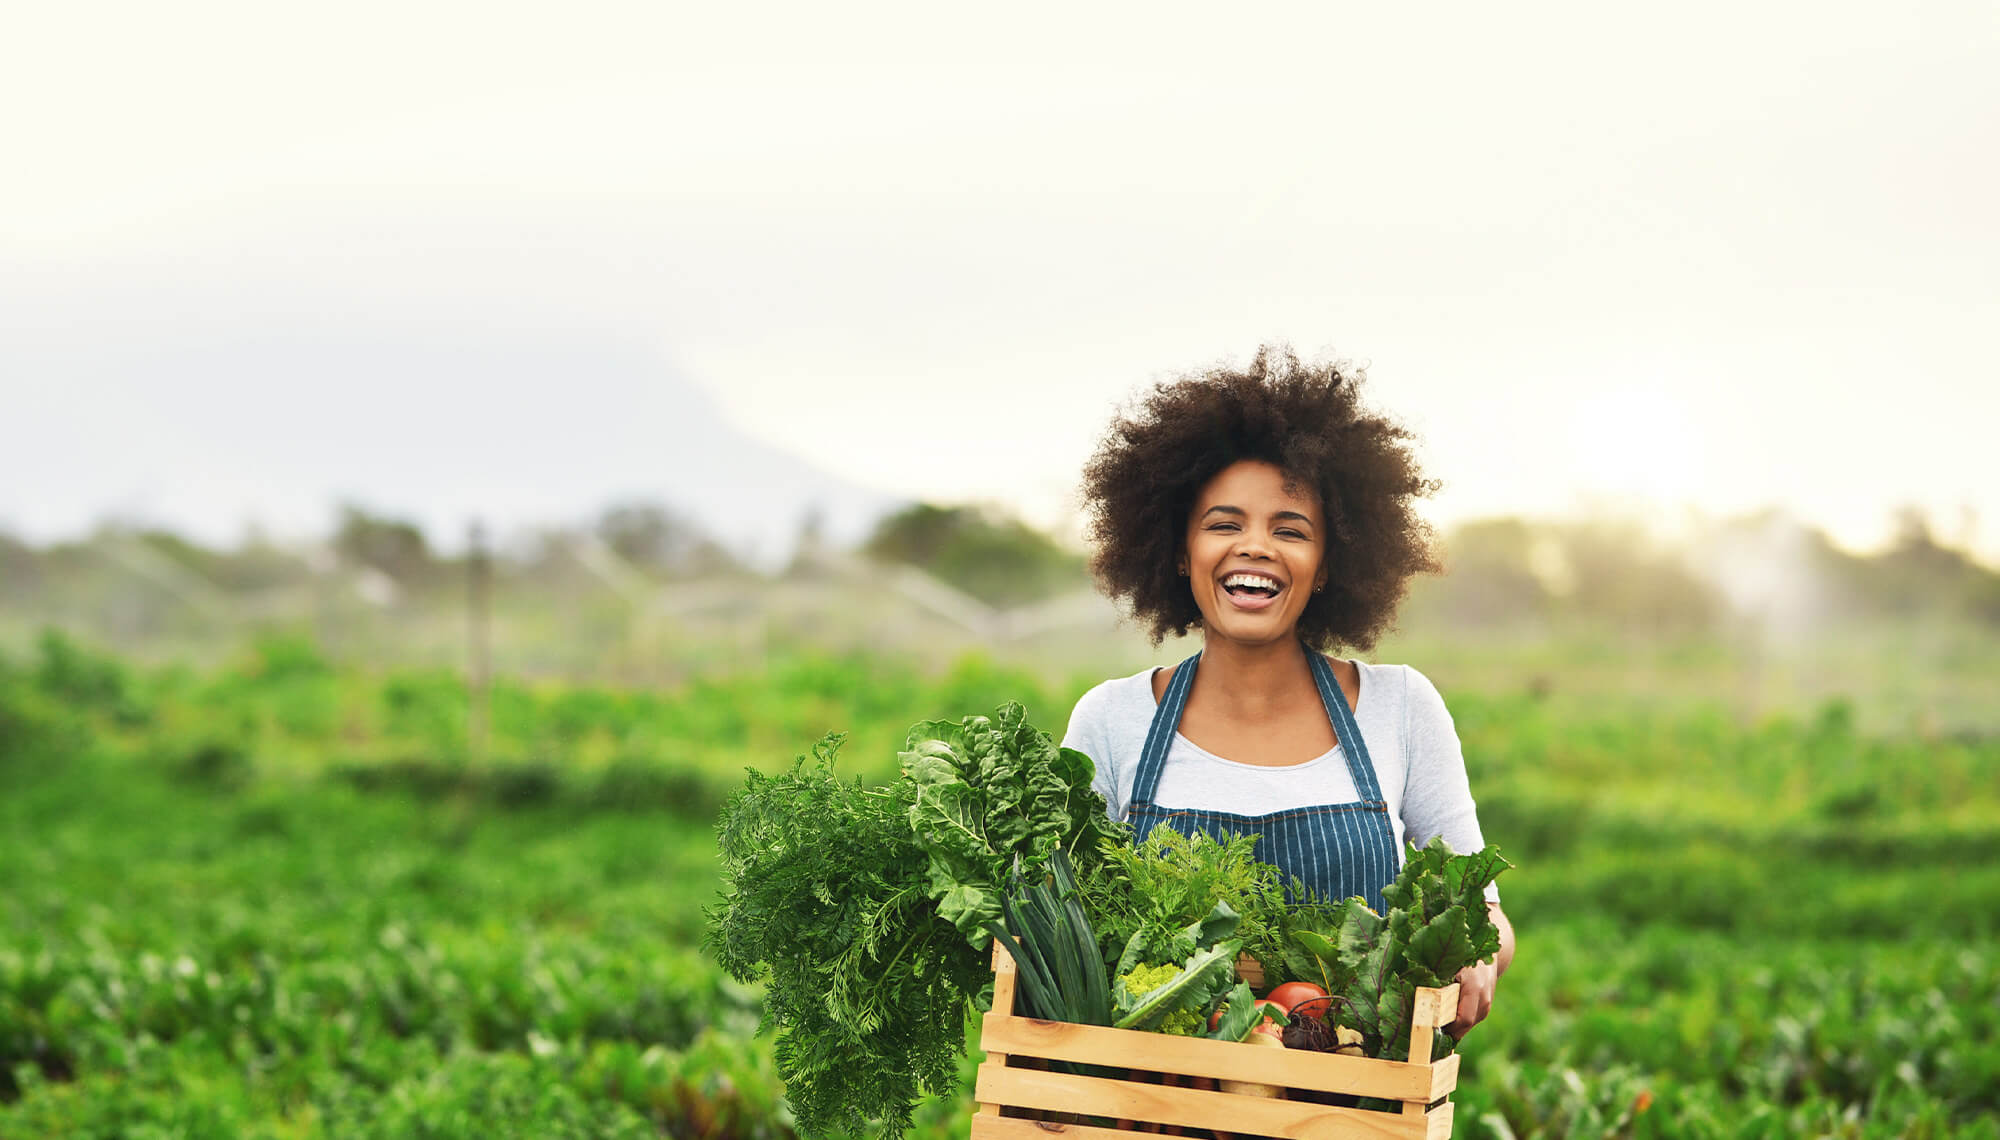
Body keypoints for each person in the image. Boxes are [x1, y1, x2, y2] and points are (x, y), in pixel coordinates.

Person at [1061, 345, 1515, 1034]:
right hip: (1152, 1105)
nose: (1255, 547)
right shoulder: (1111, 720)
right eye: (1224, 524)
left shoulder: (1400, 708)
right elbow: (1055, 928)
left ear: (1329, 564)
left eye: (1290, 530)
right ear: (1180, 552)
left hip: (1353, 1102)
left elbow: (1482, 910)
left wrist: (1479, 957)